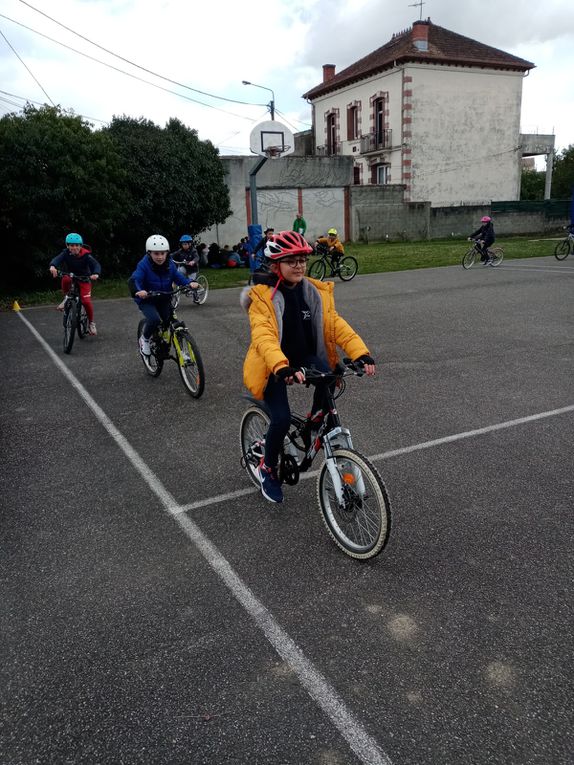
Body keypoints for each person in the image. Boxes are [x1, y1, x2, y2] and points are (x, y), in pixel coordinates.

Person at [240, 230, 375, 504]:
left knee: (331, 377)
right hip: (272, 365)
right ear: (275, 265)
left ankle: (315, 422)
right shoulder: (263, 298)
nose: (299, 266)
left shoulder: (313, 291)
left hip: (303, 358)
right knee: (280, 417)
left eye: (302, 260)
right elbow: (264, 336)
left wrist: (360, 353)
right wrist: (282, 367)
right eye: (292, 261)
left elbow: (335, 324)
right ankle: (267, 468)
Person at [130, 234, 198, 357]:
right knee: (154, 319)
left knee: (170, 321)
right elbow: (135, 279)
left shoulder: (170, 264)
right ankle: (144, 339)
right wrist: (138, 291)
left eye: (163, 253)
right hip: (147, 299)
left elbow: (177, 277)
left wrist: (189, 283)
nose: (160, 257)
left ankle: (181, 350)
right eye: (156, 254)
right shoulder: (143, 264)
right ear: (149, 253)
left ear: (167, 253)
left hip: (164, 297)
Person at [49, 232, 101, 336]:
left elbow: (96, 265)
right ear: (67, 246)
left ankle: (91, 323)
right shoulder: (65, 253)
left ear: (81, 246)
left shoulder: (86, 255)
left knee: (86, 301)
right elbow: (56, 259)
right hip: (71, 276)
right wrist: (52, 266)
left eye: (77, 245)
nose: (74, 247)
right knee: (66, 278)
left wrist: (95, 273)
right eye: (71, 245)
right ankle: (66, 297)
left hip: (84, 279)